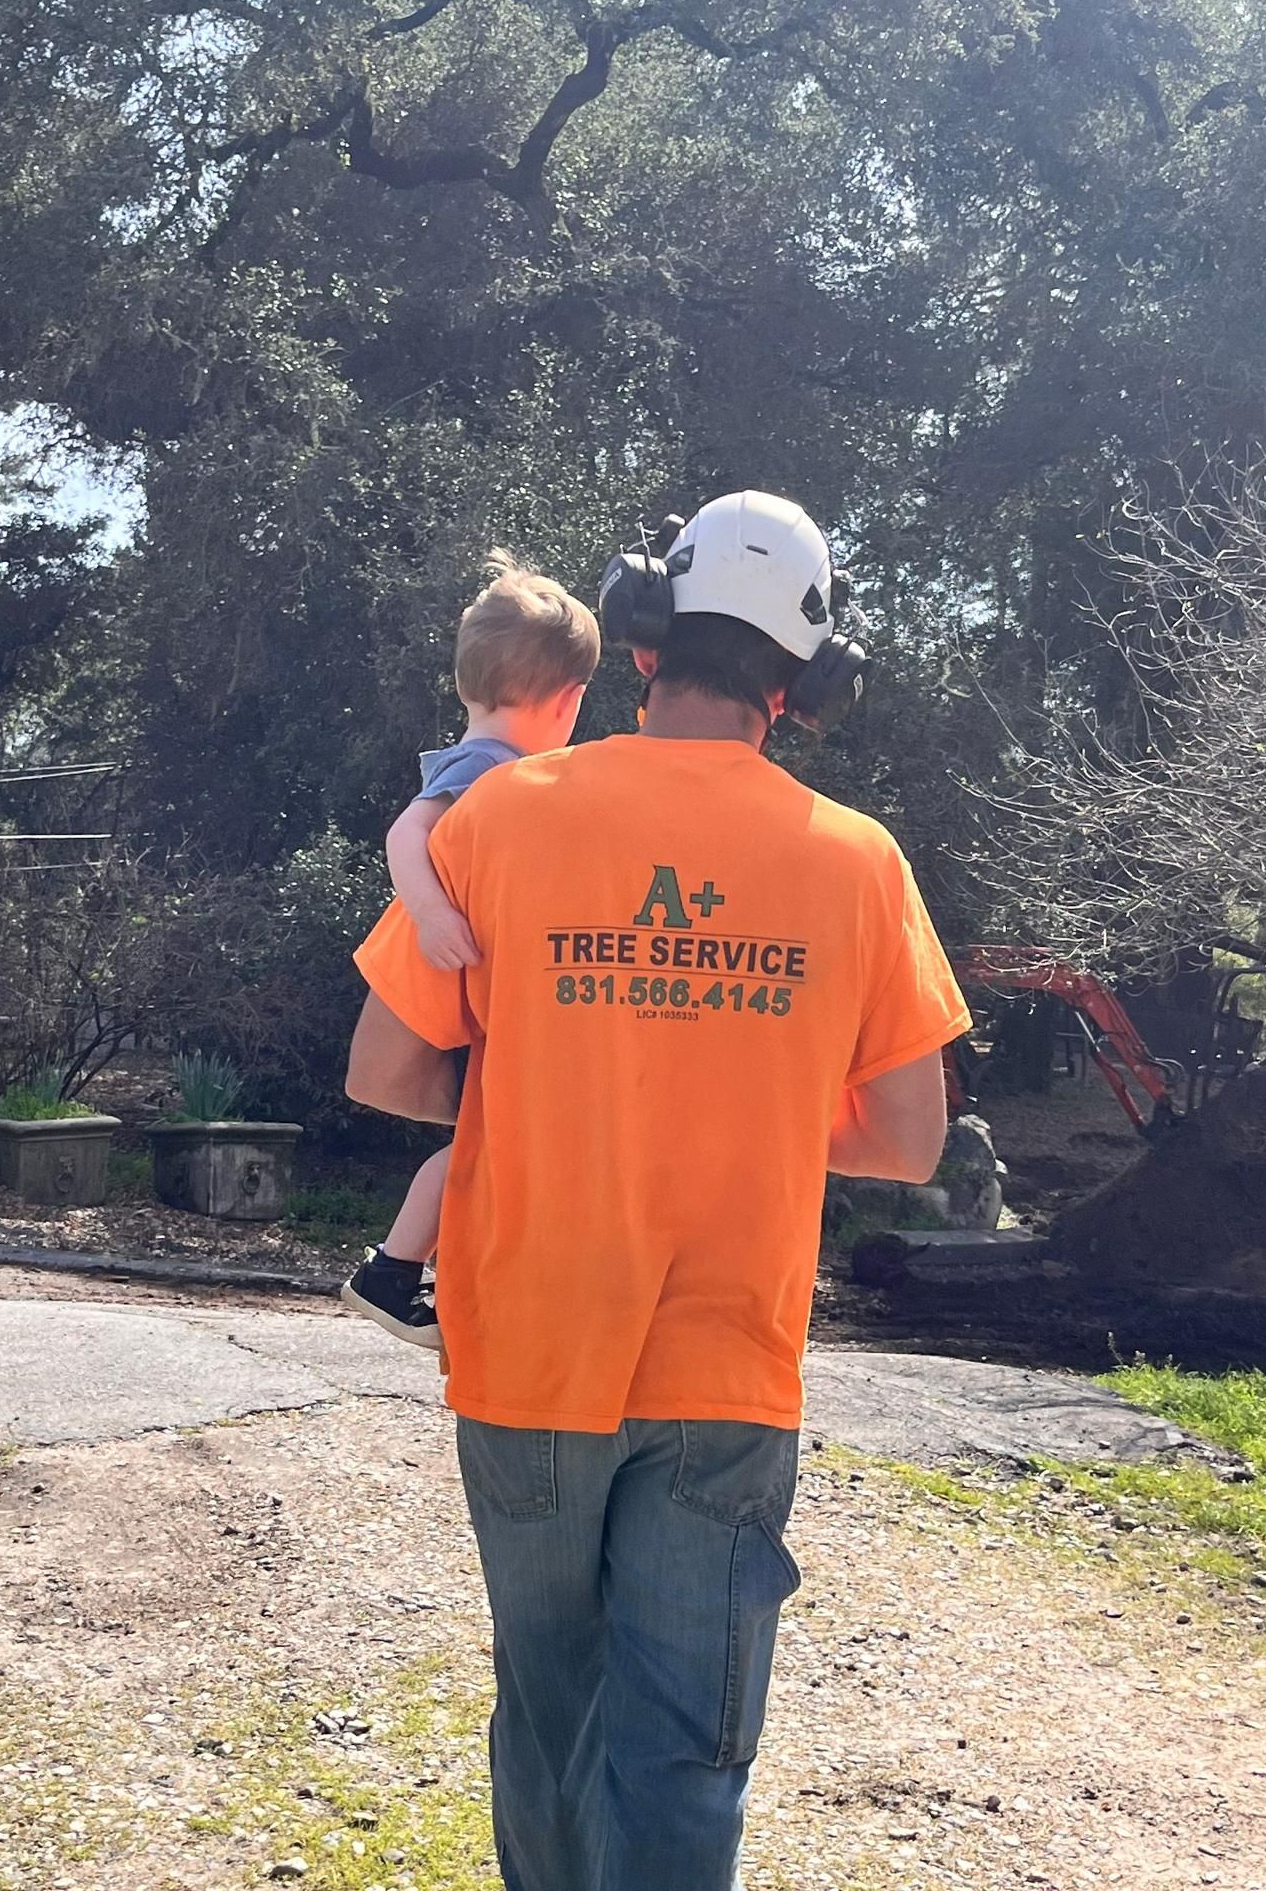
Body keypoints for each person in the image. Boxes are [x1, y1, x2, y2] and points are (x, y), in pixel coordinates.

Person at [345, 491, 970, 1891]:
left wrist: (565, 1081)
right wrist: (740, 1089)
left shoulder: (505, 813)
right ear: (803, 684)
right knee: (684, 1747)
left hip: (525, 1341)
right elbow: (910, 1140)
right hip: (724, 1366)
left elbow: (388, 1065)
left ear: (641, 644)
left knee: (551, 1707)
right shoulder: (857, 858)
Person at [340, 553, 600, 1347]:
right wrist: (428, 914)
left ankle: (410, 1271)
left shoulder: (493, 766)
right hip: (460, 964)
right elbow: (406, 832)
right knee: (485, 1148)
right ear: (568, 701)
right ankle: (391, 1269)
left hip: (479, 970)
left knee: (485, 1147)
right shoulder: (486, 769)